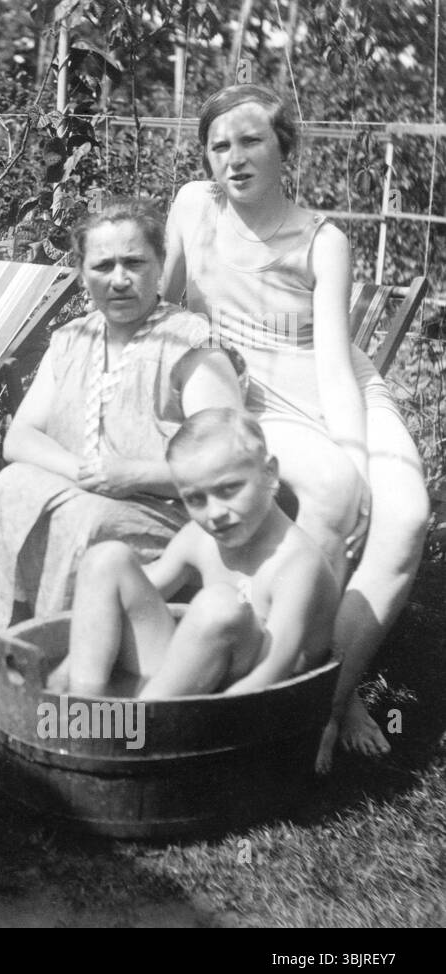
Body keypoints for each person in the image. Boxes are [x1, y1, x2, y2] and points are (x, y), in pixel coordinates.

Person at [163, 83, 429, 770]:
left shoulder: (323, 239)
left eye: (250, 140)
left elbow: (338, 364)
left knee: (405, 517)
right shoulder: (194, 207)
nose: (233, 157)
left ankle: (334, 693)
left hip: (338, 386)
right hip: (256, 397)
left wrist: (361, 463)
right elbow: (165, 306)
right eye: (218, 145)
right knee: (336, 494)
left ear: (286, 147)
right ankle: (305, 704)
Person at [0, 200, 243, 696]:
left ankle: (56, 665)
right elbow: (21, 438)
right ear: (82, 274)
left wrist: (134, 474)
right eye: (102, 266)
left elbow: (228, 462)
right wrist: (79, 467)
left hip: (165, 509)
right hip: (80, 484)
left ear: (160, 266)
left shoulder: (193, 345)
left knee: (85, 526)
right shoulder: (71, 338)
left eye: (134, 263)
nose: (119, 279)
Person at [52, 408, 338, 699]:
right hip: (193, 680)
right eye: (195, 499)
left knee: (220, 604)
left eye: (228, 489)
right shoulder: (200, 538)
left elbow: (272, 673)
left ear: (269, 473)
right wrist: (68, 662)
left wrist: (194, 725)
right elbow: (128, 594)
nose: (214, 513)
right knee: (106, 560)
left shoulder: (297, 564)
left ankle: (135, 729)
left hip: (260, 702)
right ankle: (81, 703)